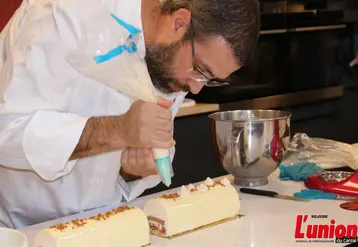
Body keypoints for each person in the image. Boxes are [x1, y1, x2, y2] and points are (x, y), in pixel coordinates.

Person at [0, 0, 260, 228]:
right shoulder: (62, 13)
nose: (195, 87)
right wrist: (117, 131)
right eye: (201, 70)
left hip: (100, 227)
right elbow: (8, 132)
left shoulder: (171, 57)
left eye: (211, 79)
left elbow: (124, 170)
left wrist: (131, 171)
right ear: (179, 22)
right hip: (20, 230)